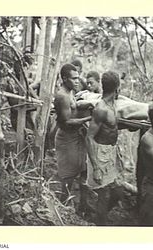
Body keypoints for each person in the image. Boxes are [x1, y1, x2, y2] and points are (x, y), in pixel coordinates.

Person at [86, 71, 123, 225]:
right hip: (100, 153)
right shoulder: (101, 109)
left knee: (118, 192)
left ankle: (98, 216)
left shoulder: (113, 104)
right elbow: (89, 138)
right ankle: (101, 225)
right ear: (117, 88)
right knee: (105, 195)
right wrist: (95, 167)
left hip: (110, 153)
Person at [53, 63, 92, 209]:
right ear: (64, 78)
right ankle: (63, 206)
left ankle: (82, 204)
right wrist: (88, 119)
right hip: (67, 138)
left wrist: (88, 104)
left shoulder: (69, 92)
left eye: (78, 78)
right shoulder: (62, 96)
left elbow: (74, 106)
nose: (77, 81)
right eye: (74, 78)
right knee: (68, 176)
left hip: (76, 136)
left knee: (81, 169)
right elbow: (67, 121)